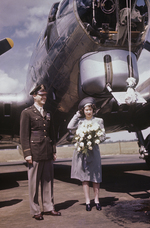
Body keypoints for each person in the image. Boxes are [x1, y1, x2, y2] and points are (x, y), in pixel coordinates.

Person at [20, 84, 61, 220]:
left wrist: (53, 150)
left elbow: (51, 133)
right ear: (34, 96)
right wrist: (27, 153)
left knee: (48, 181)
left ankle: (49, 207)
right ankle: (35, 210)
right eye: (41, 95)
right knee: (33, 183)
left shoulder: (48, 113)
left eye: (45, 95)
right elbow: (24, 135)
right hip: (35, 151)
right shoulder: (27, 113)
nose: (44, 97)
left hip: (47, 150)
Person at [67, 97, 105, 211]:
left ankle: (97, 200)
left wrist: (94, 139)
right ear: (83, 111)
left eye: (90, 109)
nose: (88, 112)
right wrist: (77, 115)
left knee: (96, 177)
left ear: (93, 110)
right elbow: (69, 127)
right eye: (86, 110)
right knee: (85, 177)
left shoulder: (99, 121)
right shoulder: (80, 121)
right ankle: (88, 201)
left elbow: (103, 136)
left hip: (94, 151)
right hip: (82, 152)